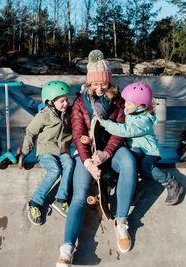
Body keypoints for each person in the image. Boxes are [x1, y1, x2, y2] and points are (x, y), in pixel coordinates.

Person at [56, 50, 137, 267]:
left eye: (103, 84)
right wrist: (88, 163)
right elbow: (77, 133)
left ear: (109, 82)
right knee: (80, 194)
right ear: (88, 84)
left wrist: (106, 153)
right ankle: (67, 248)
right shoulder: (80, 104)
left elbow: (120, 131)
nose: (99, 88)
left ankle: (121, 221)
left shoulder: (118, 101)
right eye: (94, 85)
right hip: (87, 153)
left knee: (129, 163)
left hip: (111, 149)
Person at [99, 82, 184, 205]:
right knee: (128, 160)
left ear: (140, 107)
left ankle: (170, 183)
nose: (125, 104)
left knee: (144, 166)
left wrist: (106, 124)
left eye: (128, 103)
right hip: (137, 150)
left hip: (149, 153)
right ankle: (134, 187)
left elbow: (126, 130)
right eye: (125, 101)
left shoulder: (144, 120)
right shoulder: (130, 111)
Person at [20, 81, 75, 225]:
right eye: (62, 101)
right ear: (50, 102)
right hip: (46, 150)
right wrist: (24, 153)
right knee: (54, 170)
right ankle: (34, 202)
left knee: (69, 164)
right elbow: (31, 132)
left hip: (62, 150)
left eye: (67, 99)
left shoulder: (67, 114)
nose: (66, 103)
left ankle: (60, 199)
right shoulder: (43, 116)